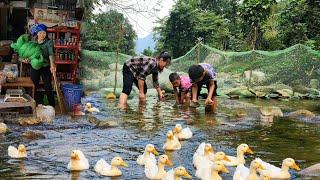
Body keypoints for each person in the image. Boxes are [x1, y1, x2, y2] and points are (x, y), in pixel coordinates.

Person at [26, 23, 56, 107]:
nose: (42, 35)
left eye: (44, 33)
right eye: (40, 33)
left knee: (48, 87)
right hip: (35, 66)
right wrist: (27, 59)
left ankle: (52, 106)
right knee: (33, 86)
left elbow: (51, 54)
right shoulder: (33, 43)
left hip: (45, 66)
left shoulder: (49, 42)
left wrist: (52, 65)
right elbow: (29, 55)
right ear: (37, 33)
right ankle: (32, 105)